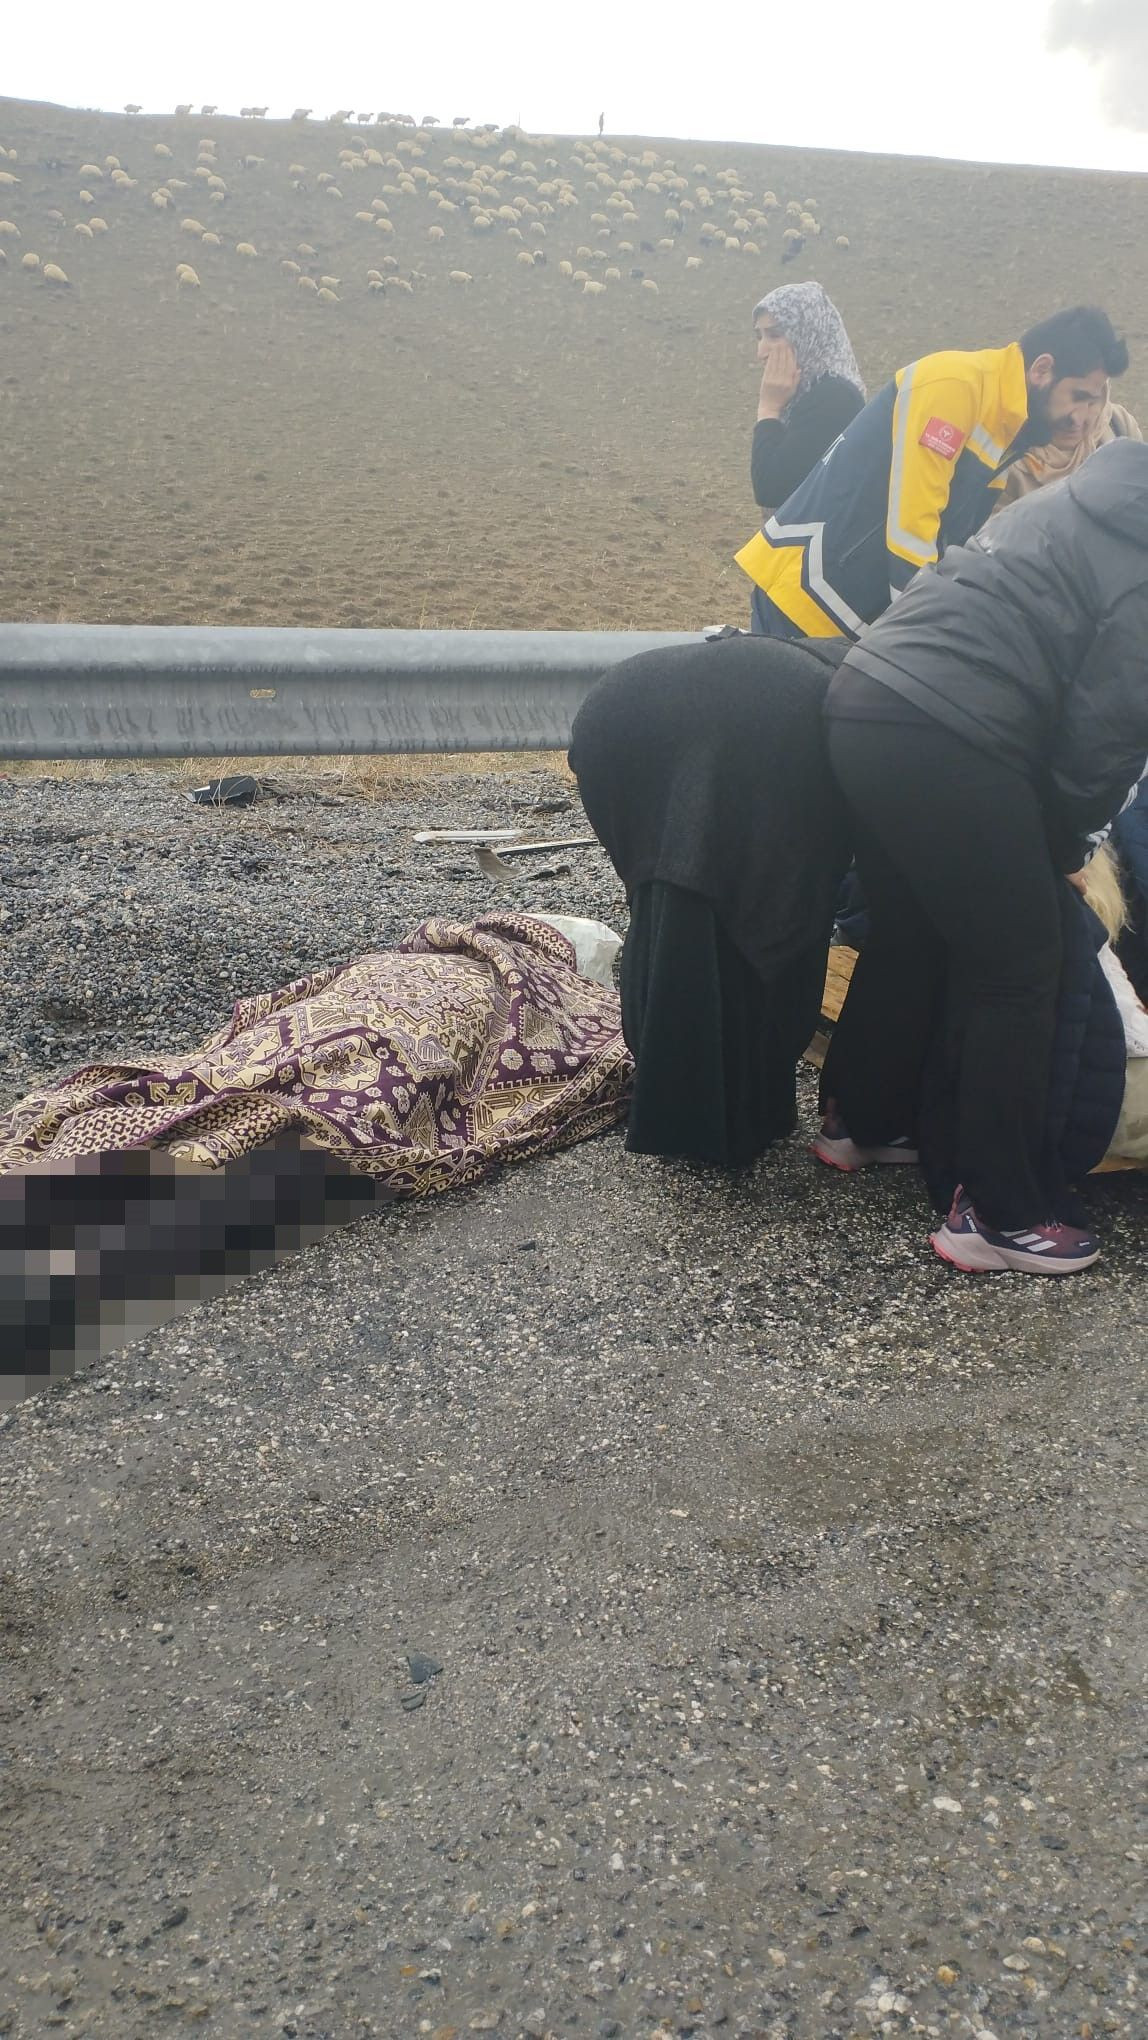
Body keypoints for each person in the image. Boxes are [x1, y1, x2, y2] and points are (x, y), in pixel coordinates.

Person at [813, 435, 1148, 1275]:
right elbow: (1108, 734)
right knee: (1020, 965)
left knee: (910, 929)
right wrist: (1066, 846)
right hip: (951, 732)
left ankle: (863, 1121)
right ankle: (1002, 1213)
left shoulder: (1073, 501)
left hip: (863, 697)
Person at [569, 633, 851, 1165]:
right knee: (769, 916)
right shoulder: (858, 691)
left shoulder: (850, 670)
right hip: (765, 712)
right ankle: (734, 1109)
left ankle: (678, 1096)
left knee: (668, 897)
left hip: (619, 709)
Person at [735, 304, 1129, 640]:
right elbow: (913, 530)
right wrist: (925, 639)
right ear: (1042, 370)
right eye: (1079, 396)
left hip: (845, 609)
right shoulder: (955, 386)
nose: (1083, 418)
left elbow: (952, 542)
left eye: (1093, 403)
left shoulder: (1003, 424)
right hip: (803, 595)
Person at [749, 283, 866, 514]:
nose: (761, 352)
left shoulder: (834, 398)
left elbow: (770, 489)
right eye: (759, 336)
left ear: (808, 333)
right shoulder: (806, 393)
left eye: (774, 335)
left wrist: (768, 410)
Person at [994, 394, 1142, 509]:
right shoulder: (1002, 453)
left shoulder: (1118, 425)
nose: (1077, 419)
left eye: (1091, 402)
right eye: (1068, 401)